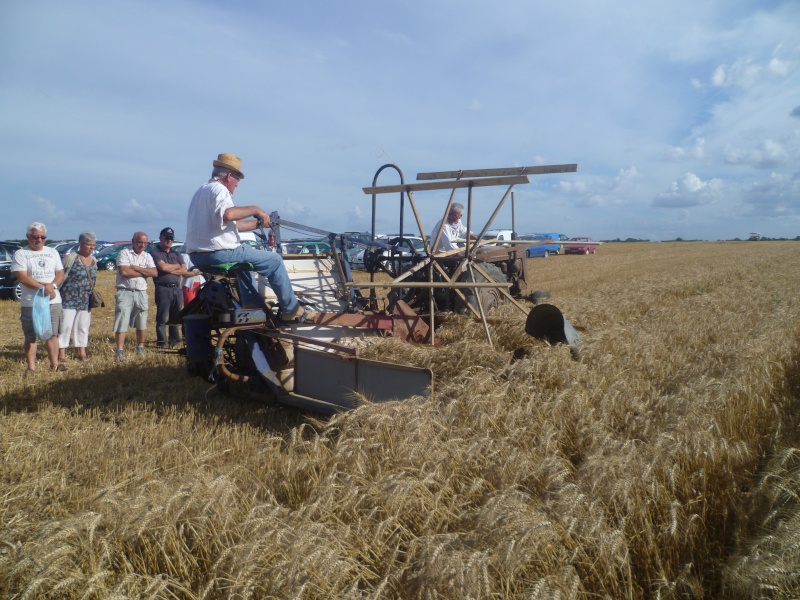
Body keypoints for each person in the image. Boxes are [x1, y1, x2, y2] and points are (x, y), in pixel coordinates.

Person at [185, 153, 315, 321]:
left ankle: (251, 305)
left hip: (197, 257)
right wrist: (255, 209)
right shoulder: (220, 190)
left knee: (244, 263)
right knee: (274, 260)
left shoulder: (202, 191)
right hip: (217, 253)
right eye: (237, 179)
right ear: (229, 176)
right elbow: (229, 214)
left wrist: (261, 224)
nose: (237, 184)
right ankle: (291, 309)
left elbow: (233, 225)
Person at [11, 222, 65, 373]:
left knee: (53, 333)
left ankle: (54, 365)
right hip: (31, 302)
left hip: (53, 301)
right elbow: (22, 277)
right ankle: (31, 368)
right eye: (35, 237)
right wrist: (44, 288)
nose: (39, 240)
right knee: (31, 336)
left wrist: (52, 287)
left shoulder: (52, 252)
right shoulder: (21, 254)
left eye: (43, 237)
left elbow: (60, 273)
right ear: (28, 237)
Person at [150, 227, 196, 349]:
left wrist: (170, 268)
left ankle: (174, 342)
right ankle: (162, 342)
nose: (169, 240)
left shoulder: (177, 253)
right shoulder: (155, 252)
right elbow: (162, 268)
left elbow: (184, 270)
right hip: (162, 288)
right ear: (160, 238)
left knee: (175, 317)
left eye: (171, 238)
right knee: (162, 317)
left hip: (177, 288)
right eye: (166, 238)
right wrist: (176, 267)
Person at [114, 231, 157, 360]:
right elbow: (124, 272)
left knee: (142, 321)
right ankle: (120, 350)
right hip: (125, 291)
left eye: (144, 243)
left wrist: (136, 268)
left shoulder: (147, 256)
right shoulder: (124, 253)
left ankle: (140, 347)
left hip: (141, 292)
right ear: (133, 241)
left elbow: (154, 273)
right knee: (122, 320)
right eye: (139, 242)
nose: (142, 245)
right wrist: (144, 272)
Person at [58, 231, 98, 363]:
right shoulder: (70, 258)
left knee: (82, 326)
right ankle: (61, 354)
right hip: (68, 298)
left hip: (85, 299)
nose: (92, 247)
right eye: (89, 245)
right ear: (81, 244)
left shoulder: (94, 261)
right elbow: (59, 275)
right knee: (65, 326)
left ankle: (82, 352)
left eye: (94, 245)